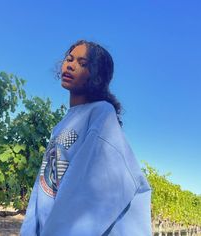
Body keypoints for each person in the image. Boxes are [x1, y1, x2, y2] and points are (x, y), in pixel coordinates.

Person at [20, 40, 152, 235]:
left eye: (83, 63)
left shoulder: (101, 113)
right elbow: (44, 185)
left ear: (97, 76)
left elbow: (93, 190)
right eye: (69, 59)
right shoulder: (60, 126)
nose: (71, 65)